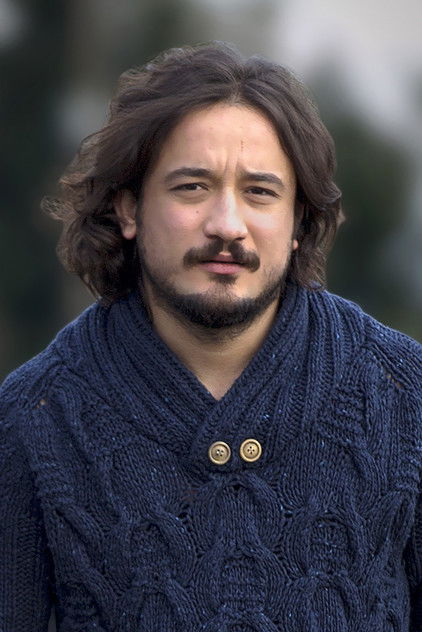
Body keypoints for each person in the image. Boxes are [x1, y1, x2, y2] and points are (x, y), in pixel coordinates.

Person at [1, 41, 421, 632]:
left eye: (260, 192)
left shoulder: (404, 395)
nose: (227, 225)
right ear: (128, 209)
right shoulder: (35, 418)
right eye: (192, 187)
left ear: (298, 220)